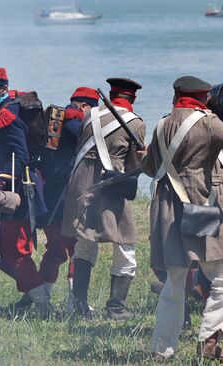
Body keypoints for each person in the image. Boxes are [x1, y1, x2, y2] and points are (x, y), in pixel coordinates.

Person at [142, 76, 223, 363]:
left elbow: (146, 167)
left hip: (168, 210)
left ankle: (161, 348)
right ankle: (209, 341)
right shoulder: (207, 121)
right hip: (199, 207)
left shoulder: (161, 125)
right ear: (204, 98)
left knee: (175, 281)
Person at [62, 78, 146, 319]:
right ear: (133, 98)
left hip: (81, 184)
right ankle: (116, 306)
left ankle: (79, 303)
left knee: (85, 243)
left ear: (111, 93)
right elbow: (133, 166)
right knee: (125, 243)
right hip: (110, 187)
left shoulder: (90, 115)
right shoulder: (136, 123)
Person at [31, 87, 100, 313]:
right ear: (83, 106)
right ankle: (74, 303)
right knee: (75, 247)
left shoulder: (56, 118)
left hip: (52, 194)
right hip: (65, 197)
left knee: (56, 250)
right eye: (92, 109)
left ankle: (41, 297)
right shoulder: (73, 119)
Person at [0, 67, 52, 318]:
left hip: (15, 190)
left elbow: (18, 157)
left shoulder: (7, 116)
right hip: (12, 188)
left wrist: (2, 185)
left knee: (15, 251)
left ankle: (43, 306)